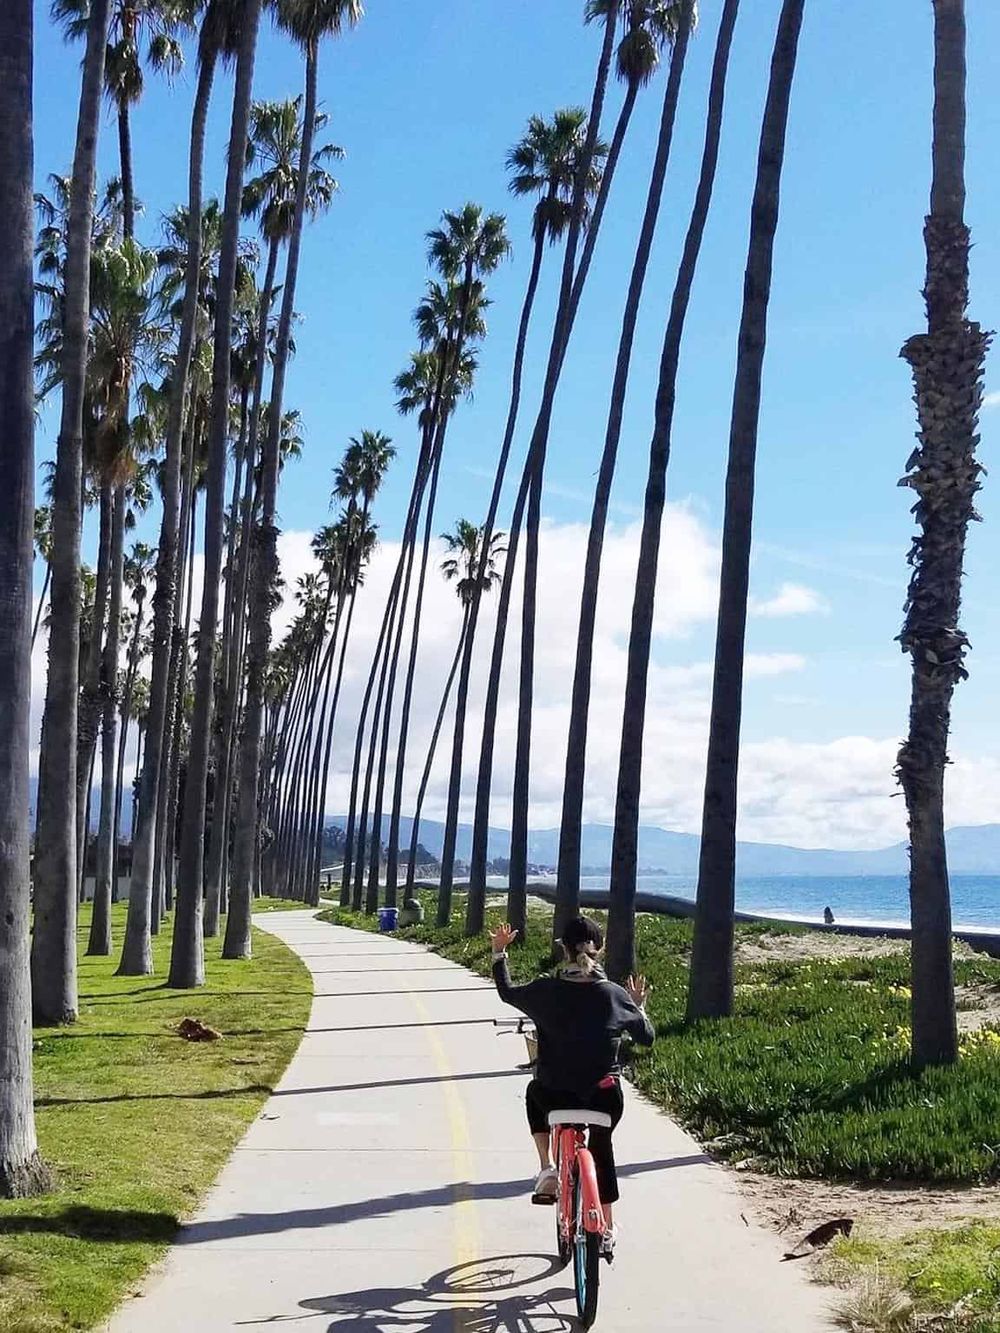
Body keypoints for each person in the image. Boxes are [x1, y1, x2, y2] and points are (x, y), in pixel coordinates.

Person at [489, 915, 654, 1260]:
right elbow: (646, 1037)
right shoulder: (614, 994)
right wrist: (637, 1008)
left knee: (535, 1094)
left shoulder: (546, 990)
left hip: (555, 1093)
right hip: (604, 1096)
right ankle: (606, 1228)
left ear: (563, 948)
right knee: (602, 1147)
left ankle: (547, 1167)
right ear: (600, 949)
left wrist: (499, 953)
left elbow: (507, 993)